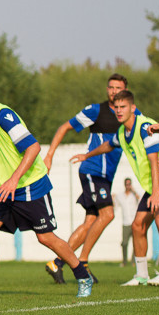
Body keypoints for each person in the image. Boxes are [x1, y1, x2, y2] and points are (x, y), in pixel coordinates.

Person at [0, 70, 93, 301]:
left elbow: (33, 147)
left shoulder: (3, 115)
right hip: (3, 188)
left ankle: (82, 275)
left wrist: (14, 179)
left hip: (30, 185)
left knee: (46, 238)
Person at [43, 74, 131, 284]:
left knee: (90, 222)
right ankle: (82, 262)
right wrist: (49, 155)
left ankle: (57, 263)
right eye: (110, 87)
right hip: (92, 171)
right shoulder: (96, 111)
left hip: (105, 177)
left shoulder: (129, 115)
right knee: (108, 214)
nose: (113, 91)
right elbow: (65, 127)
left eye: (118, 88)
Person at [72, 90, 159, 286]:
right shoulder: (123, 132)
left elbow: (154, 160)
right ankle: (141, 276)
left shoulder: (144, 127)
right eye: (116, 107)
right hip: (154, 184)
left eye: (123, 107)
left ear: (133, 108)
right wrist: (87, 156)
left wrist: (155, 193)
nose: (119, 111)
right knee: (138, 225)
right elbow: (108, 145)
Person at [113, 178, 139, 267]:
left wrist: (134, 192)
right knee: (124, 243)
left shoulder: (134, 195)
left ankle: (133, 261)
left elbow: (140, 202)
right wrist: (111, 199)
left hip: (134, 221)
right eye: (127, 184)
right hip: (126, 222)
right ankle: (124, 261)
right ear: (124, 185)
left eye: (129, 184)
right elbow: (115, 207)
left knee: (136, 243)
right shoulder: (120, 196)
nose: (128, 186)